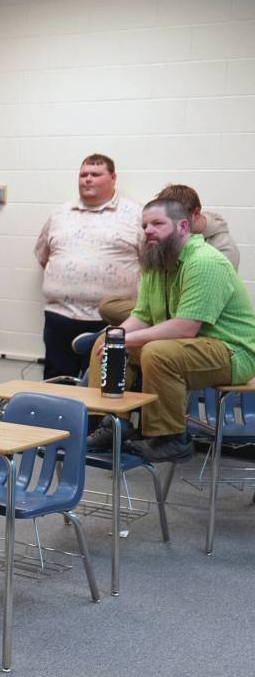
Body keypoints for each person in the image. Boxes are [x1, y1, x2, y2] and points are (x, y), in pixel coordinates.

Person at [86, 198, 255, 463]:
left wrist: (126, 340)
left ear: (183, 226)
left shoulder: (205, 262)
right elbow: (141, 316)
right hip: (188, 348)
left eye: (157, 224)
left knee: (157, 352)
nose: (148, 230)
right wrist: (115, 337)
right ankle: (113, 424)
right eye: (144, 225)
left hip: (232, 352)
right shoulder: (156, 260)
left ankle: (172, 438)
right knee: (105, 342)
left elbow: (186, 327)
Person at [35, 154, 143, 379]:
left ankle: (96, 418)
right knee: (56, 382)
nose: (88, 179)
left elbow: (151, 265)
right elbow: (43, 256)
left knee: (101, 386)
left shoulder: (135, 215)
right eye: (83, 174)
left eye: (95, 174)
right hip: (60, 317)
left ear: (113, 178)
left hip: (110, 320)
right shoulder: (60, 213)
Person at [98, 184, 240, 325]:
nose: (149, 229)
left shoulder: (222, 248)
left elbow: (206, 300)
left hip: (197, 312)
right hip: (163, 307)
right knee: (109, 305)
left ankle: (136, 332)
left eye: (161, 221)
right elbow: (149, 289)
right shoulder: (161, 238)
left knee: (160, 340)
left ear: (195, 215)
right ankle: (128, 331)